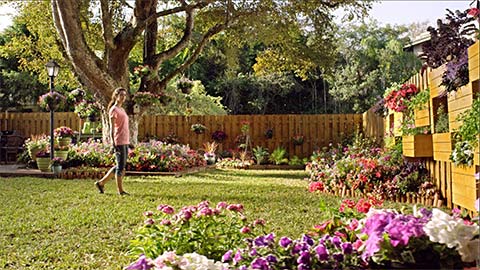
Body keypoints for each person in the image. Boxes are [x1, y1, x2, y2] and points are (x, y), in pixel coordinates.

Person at [95, 87, 130, 195]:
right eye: (121, 95)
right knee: (120, 167)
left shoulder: (122, 110)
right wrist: (113, 142)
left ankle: (101, 183)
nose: (123, 97)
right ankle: (120, 191)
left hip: (125, 140)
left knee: (120, 165)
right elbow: (111, 128)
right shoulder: (113, 110)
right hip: (118, 140)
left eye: (124, 95)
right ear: (115, 96)